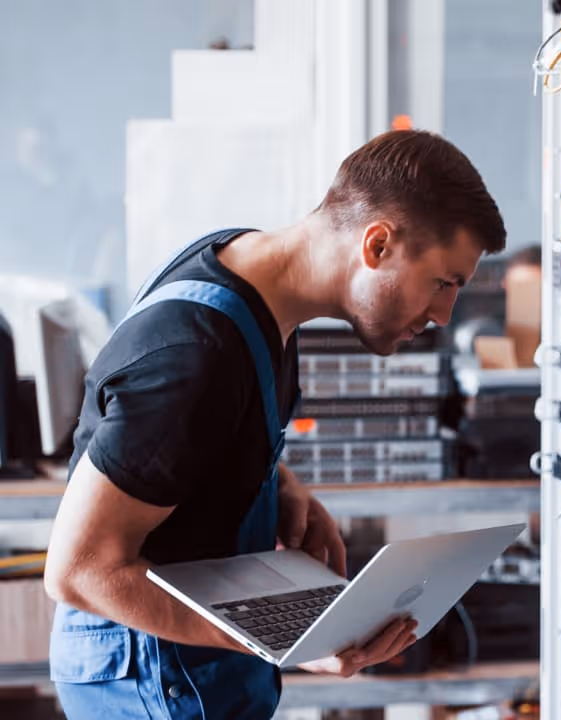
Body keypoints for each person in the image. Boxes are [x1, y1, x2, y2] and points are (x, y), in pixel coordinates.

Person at [43, 129, 506, 720]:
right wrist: (292, 637)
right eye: (444, 283)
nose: (444, 315)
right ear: (378, 244)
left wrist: (280, 483)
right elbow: (79, 571)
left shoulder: (251, 282)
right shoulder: (197, 354)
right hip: (150, 680)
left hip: (194, 674)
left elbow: (188, 439)